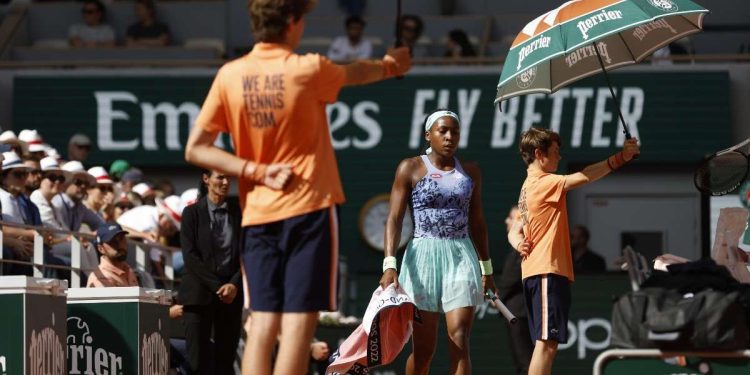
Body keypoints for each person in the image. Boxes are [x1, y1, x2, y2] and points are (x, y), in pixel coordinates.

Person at [183, 0, 411, 373]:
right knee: (298, 325)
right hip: (310, 213)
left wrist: (253, 169)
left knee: (262, 323)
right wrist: (391, 65)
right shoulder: (307, 69)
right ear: (292, 22)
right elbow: (357, 72)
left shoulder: (229, 75)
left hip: (258, 218)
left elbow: (196, 148)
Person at [507, 127, 639, 375]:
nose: (559, 157)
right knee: (546, 344)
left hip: (544, 272)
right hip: (546, 271)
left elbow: (513, 231)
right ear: (539, 153)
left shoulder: (526, 188)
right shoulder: (543, 183)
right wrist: (621, 157)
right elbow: (585, 176)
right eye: (555, 152)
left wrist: (517, 242)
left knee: (548, 344)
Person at [379, 109, 494, 375]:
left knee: (460, 338)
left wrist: (486, 269)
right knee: (424, 352)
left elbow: (477, 222)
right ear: (428, 135)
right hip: (422, 258)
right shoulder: (409, 167)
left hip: (461, 256)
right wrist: (389, 265)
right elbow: (394, 220)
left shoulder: (472, 172)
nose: (449, 136)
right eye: (443, 131)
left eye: (454, 131)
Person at [179, 169, 243, 374]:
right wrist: (218, 286)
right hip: (198, 296)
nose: (225, 182)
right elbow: (190, 257)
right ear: (206, 179)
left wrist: (233, 284)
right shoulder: (191, 213)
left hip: (231, 296)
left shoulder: (239, 213)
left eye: (228, 177)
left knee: (225, 362)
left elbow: (248, 253)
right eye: (220, 177)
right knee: (197, 364)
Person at [498, 206, 533, 375]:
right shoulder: (517, 247)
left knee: (526, 362)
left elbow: (511, 278)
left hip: (520, 313)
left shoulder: (524, 247)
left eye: (511, 218)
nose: (507, 221)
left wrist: (497, 298)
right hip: (517, 312)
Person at [87, 223, 139, 288]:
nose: (119, 245)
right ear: (101, 249)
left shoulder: (128, 270)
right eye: (112, 241)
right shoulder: (100, 278)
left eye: (121, 239)